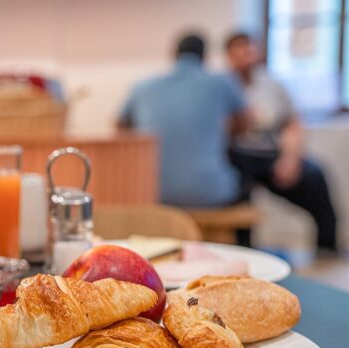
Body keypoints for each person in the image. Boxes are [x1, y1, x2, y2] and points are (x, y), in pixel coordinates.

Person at [225, 32, 338, 252]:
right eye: (239, 51)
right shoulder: (222, 86)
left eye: (249, 49)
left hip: (270, 155)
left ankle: (327, 246)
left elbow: (292, 124)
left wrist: (290, 158)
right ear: (229, 56)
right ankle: (244, 249)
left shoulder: (272, 85)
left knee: (315, 176)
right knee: (236, 192)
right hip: (236, 157)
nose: (246, 56)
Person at [117, 33, 248, 208]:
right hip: (209, 194)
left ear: (173, 54)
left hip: (150, 191)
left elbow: (120, 126)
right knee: (246, 180)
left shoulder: (142, 86)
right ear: (205, 57)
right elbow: (245, 123)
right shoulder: (221, 82)